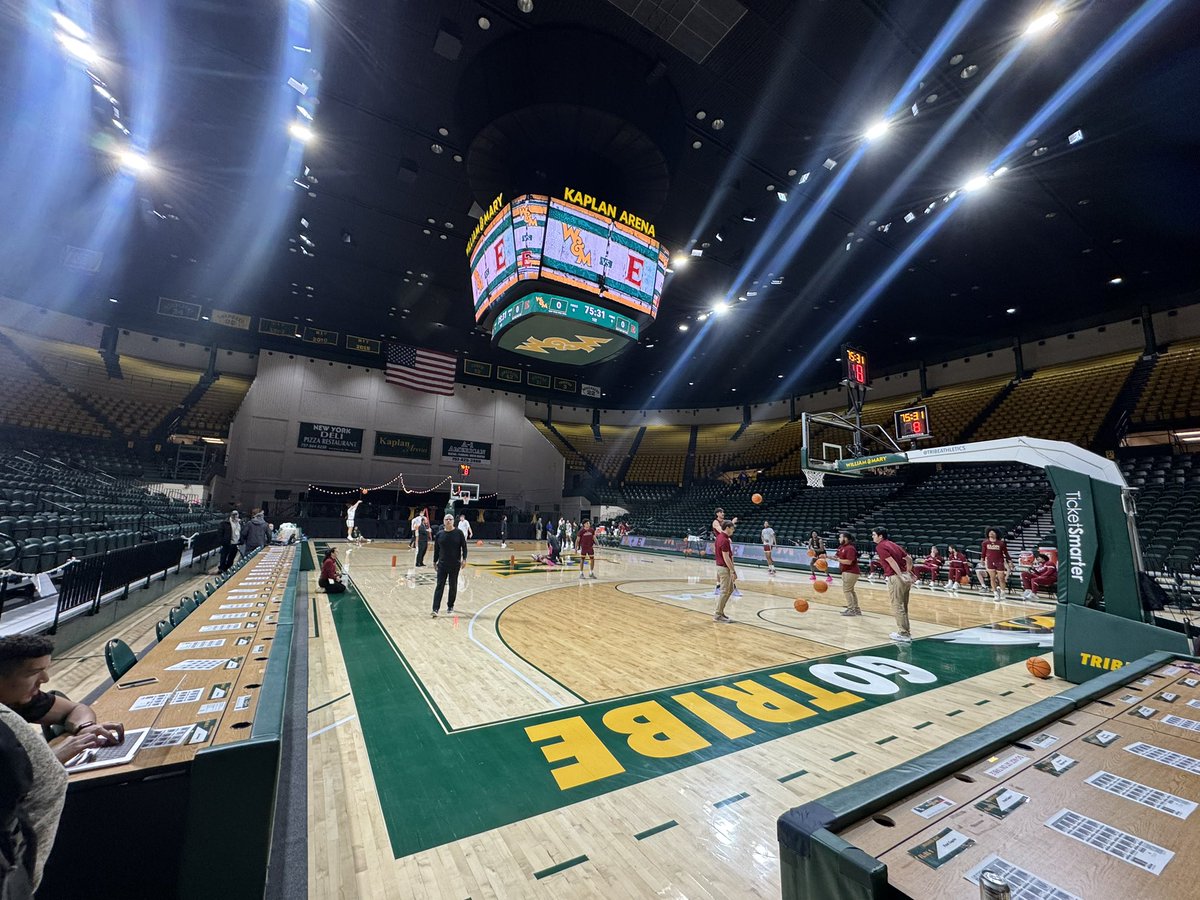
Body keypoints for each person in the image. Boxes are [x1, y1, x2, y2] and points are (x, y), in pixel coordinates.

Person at [1, 635, 125, 765]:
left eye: (44, 670)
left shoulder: (19, 698)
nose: (45, 679)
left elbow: (75, 709)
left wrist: (84, 727)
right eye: (33, 673)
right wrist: (51, 757)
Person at [872, 528, 914, 643]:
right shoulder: (893, 544)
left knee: (897, 605)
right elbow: (909, 559)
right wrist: (908, 572)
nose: (872, 537)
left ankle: (903, 633)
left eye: (874, 535)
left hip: (896, 577)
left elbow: (891, 561)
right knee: (903, 606)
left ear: (880, 536)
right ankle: (906, 631)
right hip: (904, 575)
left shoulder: (880, 546)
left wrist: (900, 575)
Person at [432, 514, 468, 617]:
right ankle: (435, 609)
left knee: (453, 586)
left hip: (455, 564)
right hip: (442, 564)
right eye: (446, 519)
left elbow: (464, 547)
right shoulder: (439, 534)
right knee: (439, 586)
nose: (448, 521)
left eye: (450, 519)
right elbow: (436, 549)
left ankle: (450, 605)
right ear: (444, 521)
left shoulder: (459, 533)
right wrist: (434, 561)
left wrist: (464, 559)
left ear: (453, 521)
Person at [713, 521, 737, 623]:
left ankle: (720, 611)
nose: (733, 531)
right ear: (727, 528)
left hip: (721, 567)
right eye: (732, 528)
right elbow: (726, 557)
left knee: (730, 589)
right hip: (724, 568)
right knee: (724, 591)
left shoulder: (719, 537)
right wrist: (733, 571)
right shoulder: (724, 540)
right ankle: (718, 614)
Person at [981, 527, 1013, 601]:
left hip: (999, 562)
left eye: (993, 532)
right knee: (992, 578)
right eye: (990, 532)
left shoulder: (1001, 543)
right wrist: (982, 560)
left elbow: (1006, 553)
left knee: (1001, 578)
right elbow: (983, 553)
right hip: (990, 562)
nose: (991, 533)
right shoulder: (985, 543)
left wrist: (1010, 561)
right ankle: (995, 593)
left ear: (996, 534)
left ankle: (1002, 593)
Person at [834, 531, 862, 616]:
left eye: (840, 537)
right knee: (851, 591)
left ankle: (851, 609)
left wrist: (838, 560)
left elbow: (849, 561)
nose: (839, 539)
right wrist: (826, 557)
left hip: (851, 572)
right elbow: (836, 557)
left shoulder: (850, 548)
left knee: (847, 590)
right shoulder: (841, 547)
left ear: (845, 538)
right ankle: (856, 609)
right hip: (847, 572)